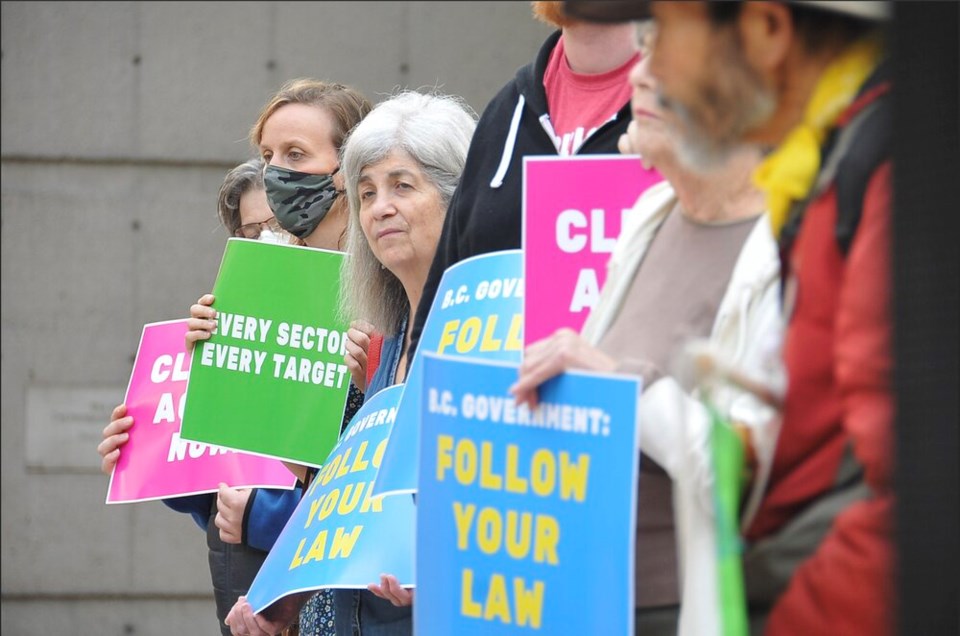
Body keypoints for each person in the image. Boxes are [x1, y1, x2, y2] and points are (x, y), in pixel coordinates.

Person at [564, 1, 896, 633]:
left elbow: (900, 496)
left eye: (665, 34)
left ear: (766, 30)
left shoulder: (883, 171)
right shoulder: (833, 171)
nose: (646, 67)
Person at [509, 23, 782, 635]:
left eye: (670, 55)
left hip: (686, 609)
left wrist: (617, 382)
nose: (638, 75)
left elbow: (756, 477)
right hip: (589, 597)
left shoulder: (788, 255)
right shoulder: (649, 217)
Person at [225, 90, 478, 636]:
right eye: (366, 192)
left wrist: (446, 568)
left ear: (459, 195)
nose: (379, 207)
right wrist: (286, 598)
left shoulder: (490, 331)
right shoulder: (382, 344)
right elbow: (360, 513)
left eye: (402, 186)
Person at [184, 78, 375, 636]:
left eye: (296, 154)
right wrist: (214, 366)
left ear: (351, 165)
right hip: (317, 600)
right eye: (268, 155)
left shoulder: (392, 286)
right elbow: (298, 475)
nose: (275, 172)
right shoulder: (269, 288)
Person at [98, 158, 306, 636]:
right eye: (251, 232)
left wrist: (262, 516)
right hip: (240, 589)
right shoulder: (220, 326)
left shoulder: (351, 327)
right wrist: (144, 452)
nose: (265, 243)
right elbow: (214, 494)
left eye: (278, 227)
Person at [406, 0, 640, 366]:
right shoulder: (507, 110)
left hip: (628, 410)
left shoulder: (685, 109)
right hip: (491, 412)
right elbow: (444, 295)